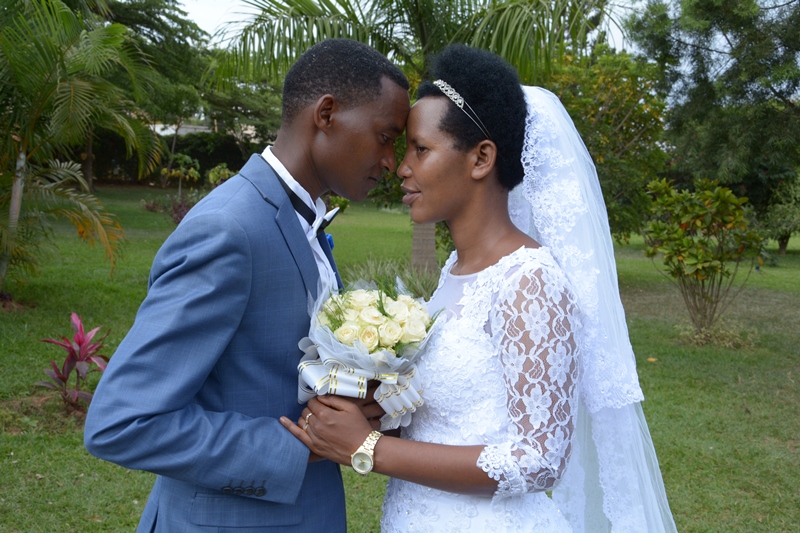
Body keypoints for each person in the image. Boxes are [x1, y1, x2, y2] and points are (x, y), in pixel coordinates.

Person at [281, 44, 678, 532]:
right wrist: (376, 409)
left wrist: (369, 448)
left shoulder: (530, 282)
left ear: (481, 158)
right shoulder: (456, 268)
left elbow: (540, 459)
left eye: (420, 149)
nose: (401, 167)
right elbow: (453, 416)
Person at [84, 39, 409, 533]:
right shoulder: (229, 229)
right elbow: (124, 421)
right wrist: (302, 444)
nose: (391, 161)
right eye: (385, 137)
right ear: (326, 114)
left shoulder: (302, 220)